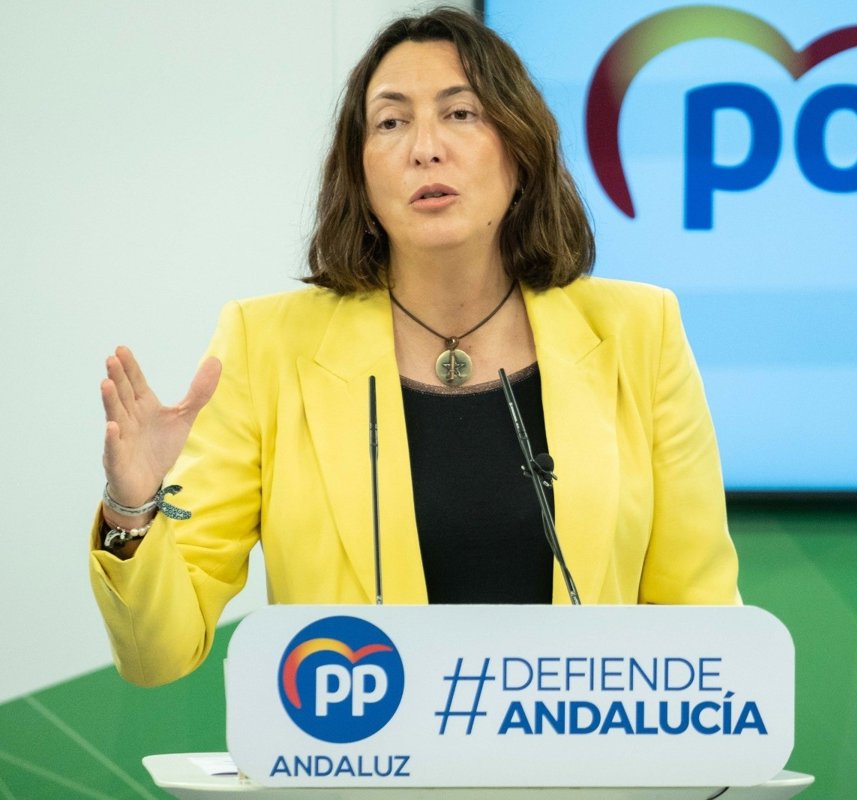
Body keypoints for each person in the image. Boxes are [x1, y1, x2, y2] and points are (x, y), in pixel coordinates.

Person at [90, 7, 738, 688]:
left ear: (521, 150)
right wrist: (133, 509)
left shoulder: (639, 332)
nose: (425, 148)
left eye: (460, 113)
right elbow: (158, 657)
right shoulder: (267, 347)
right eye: (391, 122)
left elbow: (704, 632)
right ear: (361, 173)